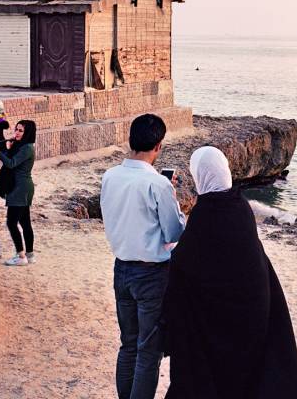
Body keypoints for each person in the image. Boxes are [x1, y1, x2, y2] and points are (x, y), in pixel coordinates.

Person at [162, 146, 297, 398]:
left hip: (215, 318)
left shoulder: (206, 213)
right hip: (252, 309)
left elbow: (184, 263)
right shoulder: (240, 206)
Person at [99, 113, 186, 399]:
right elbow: (173, 232)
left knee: (128, 345)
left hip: (121, 267)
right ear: (158, 146)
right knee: (149, 351)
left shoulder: (110, 176)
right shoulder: (158, 184)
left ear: (130, 141)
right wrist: (173, 197)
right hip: (151, 273)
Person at [0, 119, 37, 266]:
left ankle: (21, 256)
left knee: (11, 222)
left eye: (21, 130)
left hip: (20, 189)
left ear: (27, 132)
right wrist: (7, 149)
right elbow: (11, 159)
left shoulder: (27, 148)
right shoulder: (22, 146)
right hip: (21, 187)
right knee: (25, 222)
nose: (17, 132)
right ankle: (30, 255)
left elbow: (11, 164)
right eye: (16, 129)